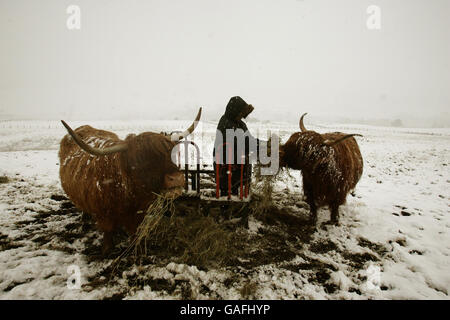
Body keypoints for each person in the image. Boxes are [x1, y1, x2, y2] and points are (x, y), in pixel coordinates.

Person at [213, 96, 261, 197]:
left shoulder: (240, 124)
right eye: (240, 113)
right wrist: (261, 146)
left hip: (237, 164)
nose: (241, 116)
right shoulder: (226, 123)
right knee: (227, 192)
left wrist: (263, 145)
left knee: (235, 188)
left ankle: (233, 203)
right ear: (234, 111)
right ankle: (226, 209)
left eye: (242, 114)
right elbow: (244, 143)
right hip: (225, 164)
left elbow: (249, 139)